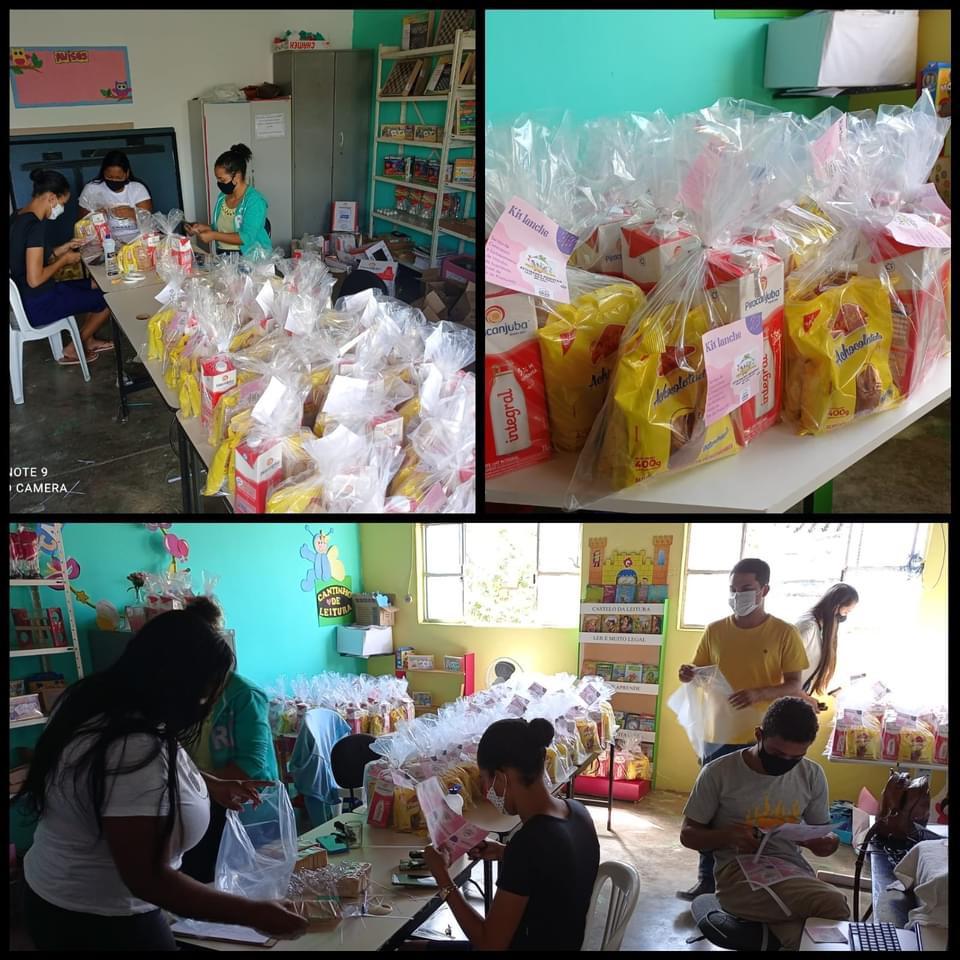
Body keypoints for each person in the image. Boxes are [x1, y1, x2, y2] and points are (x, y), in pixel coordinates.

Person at [17, 605, 307, 950]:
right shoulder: (135, 747)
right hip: (101, 918)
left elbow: (123, 777)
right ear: (178, 684)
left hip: (54, 891)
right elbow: (148, 878)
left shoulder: (92, 701)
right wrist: (254, 913)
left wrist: (210, 784)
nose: (207, 703)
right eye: (206, 692)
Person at [675, 557, 808, 901]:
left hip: (762, 739)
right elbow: (701, 671)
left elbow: (795, 684)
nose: (739, 596)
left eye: (746, 589)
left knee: (757, 814)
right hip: (717, 735)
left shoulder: (783, 632)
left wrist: (760, 693)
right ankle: (708, 881)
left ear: (764, 590)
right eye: (733, 590)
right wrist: (688, 673)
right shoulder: (715, 630)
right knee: (709, 814)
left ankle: (756, 879)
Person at [680, 697, 850, 950]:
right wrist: (728, 835)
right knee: (833, 903)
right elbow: (688, 835)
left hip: (790, 870)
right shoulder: (719, 772)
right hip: (738, 877)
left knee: (800, 937)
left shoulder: (811, 774)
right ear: (759, 735)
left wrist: (824, 842)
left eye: (796, 757)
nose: (785, 763)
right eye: (777, 754)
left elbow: (826, 839)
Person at [421, 717, 600, 950]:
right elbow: (556, 867)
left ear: (502, 777)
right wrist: (506, 853)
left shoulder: (530, 843)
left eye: (485, 781)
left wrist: (442, 878)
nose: (486, 792)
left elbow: (489, 944)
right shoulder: (578, 812)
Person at [177, 597, 280, 884]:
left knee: (244, 882)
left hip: (242, 805)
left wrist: (198, 788)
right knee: (202, 884)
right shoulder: (178, 695)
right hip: (198, 802)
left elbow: (251, 763)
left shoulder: (243, 695)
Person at [10, 169, 114, 364]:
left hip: (27, 297)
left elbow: (28, 258)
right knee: (110, 298)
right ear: (51, 197)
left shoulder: (18, 218)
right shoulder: (36, 226)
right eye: (62, 203)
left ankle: (88, 339)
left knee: (94, 284)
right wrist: (64, 260)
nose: (61, 209)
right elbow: (35, 279)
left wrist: (62, 248)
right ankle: (75, 346)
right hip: (37, 303)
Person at [185, 143, 270, 256]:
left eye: (222, 180)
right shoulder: (223, 197)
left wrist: (213, 235)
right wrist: (201, 228)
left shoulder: (255, 201)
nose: (219, 184)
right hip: (225, 258)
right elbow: (220, 227)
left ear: (237, 177)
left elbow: (246, 237)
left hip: (250, 261)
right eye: (217, 179)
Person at [794, 584, 859, 707]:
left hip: (799, 695)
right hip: (790, 697)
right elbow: (784, 671)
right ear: (836, 607)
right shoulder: (807, 628)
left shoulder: (821, 626)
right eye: (846, 611)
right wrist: (802, 696)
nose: (845, 616)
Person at [77, 150, 153, 245]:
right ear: (104, 172)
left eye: (118, 178)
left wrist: (133, 213)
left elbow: (148, 223)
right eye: (109, 177)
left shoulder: (138, 189)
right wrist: (96, 216)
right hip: (104, 242)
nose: (114, 180)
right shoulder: (92, 189)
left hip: (136, 242)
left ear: (127, 173)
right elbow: (81, 223)